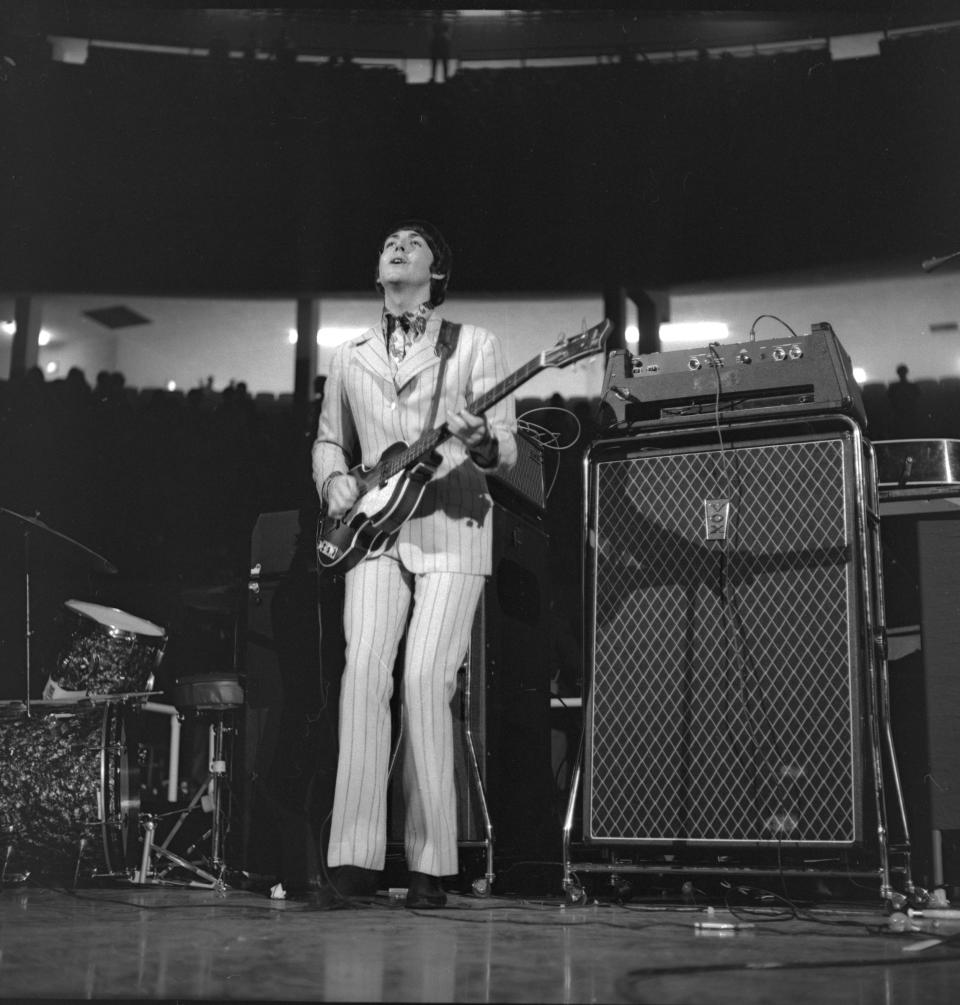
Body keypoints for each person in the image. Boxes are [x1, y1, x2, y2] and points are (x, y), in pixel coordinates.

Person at [311, 220, 517, 908]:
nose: (397, 246)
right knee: (362, 672)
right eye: (389, 243)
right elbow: (328, 440)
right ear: (379, 275)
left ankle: (432, 863)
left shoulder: (474, 344)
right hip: (373, 529)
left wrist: (483, 440)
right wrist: (334, 480)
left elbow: (506, 449)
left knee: (427, 679)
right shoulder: (350, 353)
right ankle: (354, 860)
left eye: (414, 242)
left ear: (438, 272)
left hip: (453, 524)